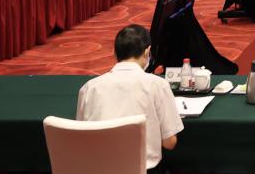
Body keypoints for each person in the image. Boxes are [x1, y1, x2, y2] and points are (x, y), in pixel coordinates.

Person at [76, 25, 183, 173]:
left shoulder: (89, 88)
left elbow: (82, 136)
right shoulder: (157, 85)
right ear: (147, 52)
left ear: (114, 53)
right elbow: (169, 143)